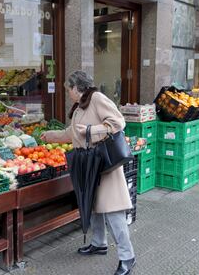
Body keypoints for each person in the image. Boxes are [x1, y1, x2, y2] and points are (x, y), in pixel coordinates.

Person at [41, 71, 135, 275]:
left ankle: (127, 257)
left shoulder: (97, 99)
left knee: (113, 213)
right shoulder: (80, 106)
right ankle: (99, 243)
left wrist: (91, 131)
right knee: (92, 206)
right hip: (89, 164)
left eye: (68, 89)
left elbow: (118, 122)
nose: (68, 93)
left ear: (76, 88)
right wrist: (49, 136)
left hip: (104, 164)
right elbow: (72, 133)